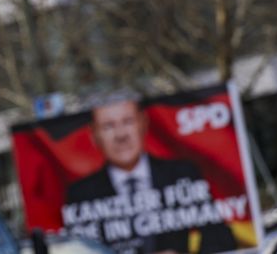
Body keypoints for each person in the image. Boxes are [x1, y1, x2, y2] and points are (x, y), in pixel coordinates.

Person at [65, 100, 236, 254]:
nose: (121, 135)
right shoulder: (80, 195)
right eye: (108, 126)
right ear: (94, 135)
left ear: (143, 123)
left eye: (128, 121)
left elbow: (221, 240)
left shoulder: (182, 176)